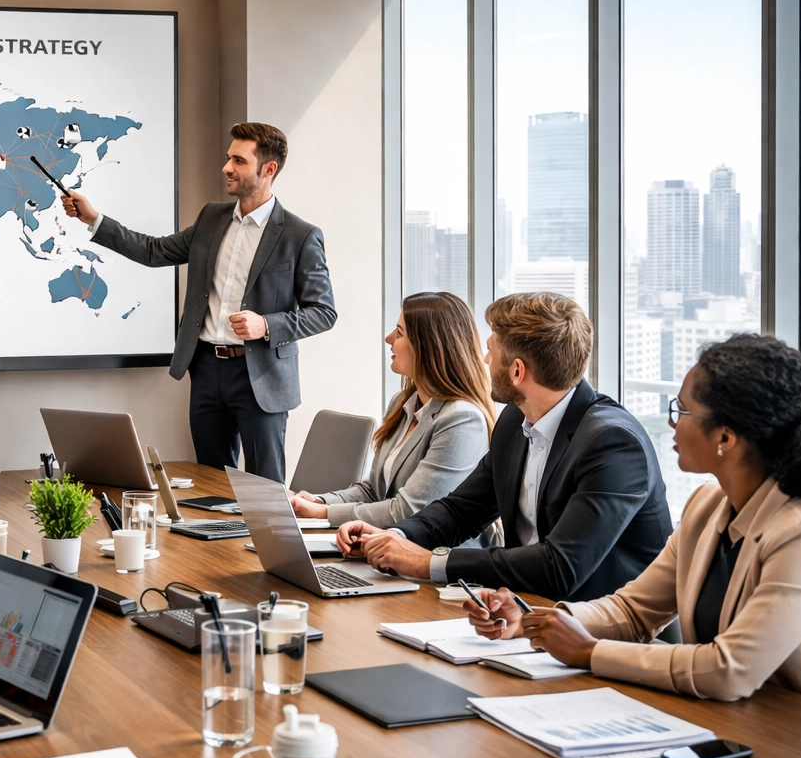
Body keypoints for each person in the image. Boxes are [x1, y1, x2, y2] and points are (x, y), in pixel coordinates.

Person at [466, 334, 801, 721]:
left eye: (682, 410)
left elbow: (728, 670)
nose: (672, 422)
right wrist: (537, 621)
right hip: (737, 718)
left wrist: (589, 651)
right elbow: (633, 611)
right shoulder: (707, 507)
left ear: (725, 436)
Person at [338, 292, 671, 602]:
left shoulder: (613, 444)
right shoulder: (515, 420)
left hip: (602, 632)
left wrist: (429, 563)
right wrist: (395, 537)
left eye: (490, 351)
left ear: (516, 371)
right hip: (524, 611)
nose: (483, 359)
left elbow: (560, 567)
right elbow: (460, 511)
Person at [62, 122, 336, 483]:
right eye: (228, 158)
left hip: (262, 377)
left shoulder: (300, 236)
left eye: (238, 160)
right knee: (211, 485)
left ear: (268, 170)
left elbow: (324, 312)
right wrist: (93, 219)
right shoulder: (212, 217)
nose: (226, 167)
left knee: (264, 490)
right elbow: (154, 250)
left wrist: (266, 324)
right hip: (207, 370)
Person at [291, 292, 494, 529]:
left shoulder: (461, 419)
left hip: (438, 559)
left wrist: (324, 513)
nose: (388, 339)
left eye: (399, 333)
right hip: (387, 544)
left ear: (428, 346)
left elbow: (409, 510)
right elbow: (373, 491)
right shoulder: (402, 403)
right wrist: (317, 501)